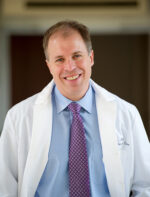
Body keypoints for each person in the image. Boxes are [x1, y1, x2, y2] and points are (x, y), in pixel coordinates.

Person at [0, 20, 150, 197]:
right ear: (49, 66)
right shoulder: (19, 117)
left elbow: (145, 185)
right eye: (59, 59)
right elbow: (4, 187)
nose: (70, 67)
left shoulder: (127, 114)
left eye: (77, 56)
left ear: (91, 58)